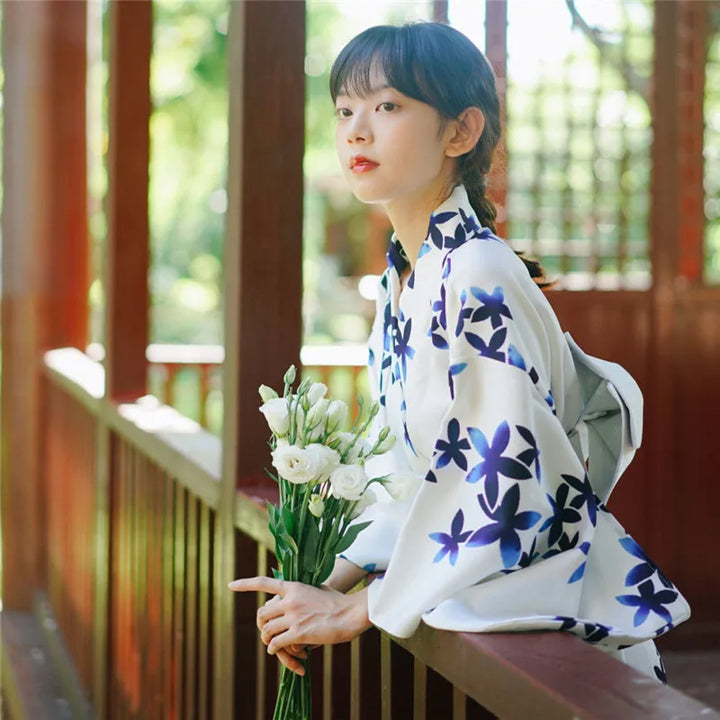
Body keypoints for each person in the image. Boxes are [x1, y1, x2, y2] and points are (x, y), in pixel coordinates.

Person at [229, 21, 689, 682]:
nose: (356, 130)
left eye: (387, 106)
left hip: (551, 633)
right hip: (494, 608)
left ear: (460, 132)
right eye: (344, 110)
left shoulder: (475, 272)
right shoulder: (405, 276)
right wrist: (330, 565)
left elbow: (499, 473)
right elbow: (412, 470)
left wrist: (359, 609)